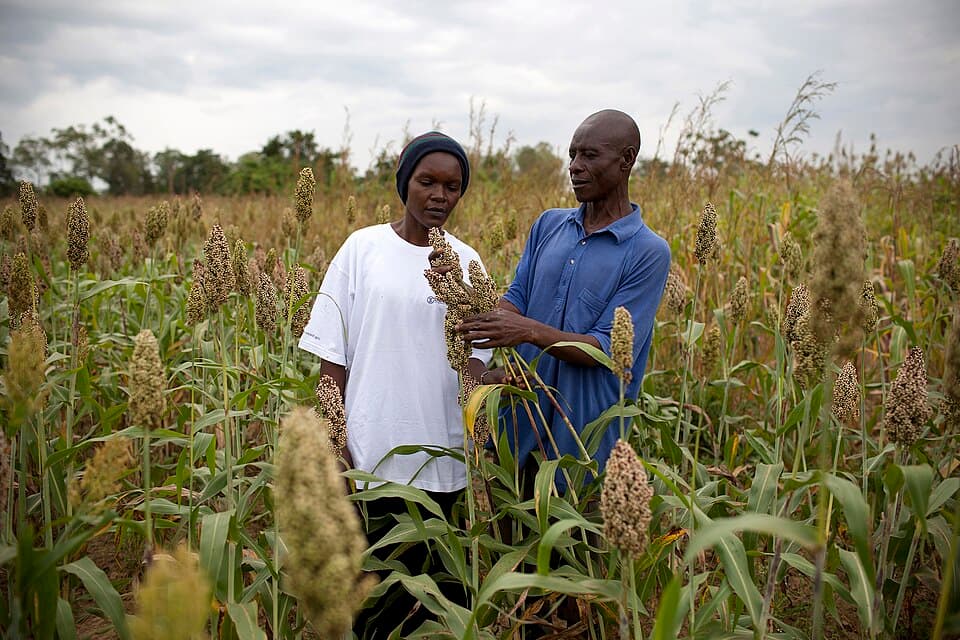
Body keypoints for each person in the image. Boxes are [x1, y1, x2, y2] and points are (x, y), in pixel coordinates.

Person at [298, 131, 490, 636]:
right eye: (427, 181)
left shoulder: (467, 262)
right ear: (404, 183)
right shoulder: (362, 249)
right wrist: (336, 451)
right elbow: (331, 362)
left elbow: (474, 366)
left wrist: (481, 440)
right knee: (375, 610)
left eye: (452, 187)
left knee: (439, 612)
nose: (439, 196)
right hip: (371, 463)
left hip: (446, 466)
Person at [455, 109, 671, 485]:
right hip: (517, 424)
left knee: (573, 539)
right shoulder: (549, 225)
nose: (574, 166)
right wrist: (469, 299)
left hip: (582, 445)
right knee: (508, 530)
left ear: (626, 160)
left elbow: (606, 349)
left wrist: (526, 331)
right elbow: (517, 299)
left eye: (589, 156)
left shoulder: (648, 251)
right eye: (572, 155)